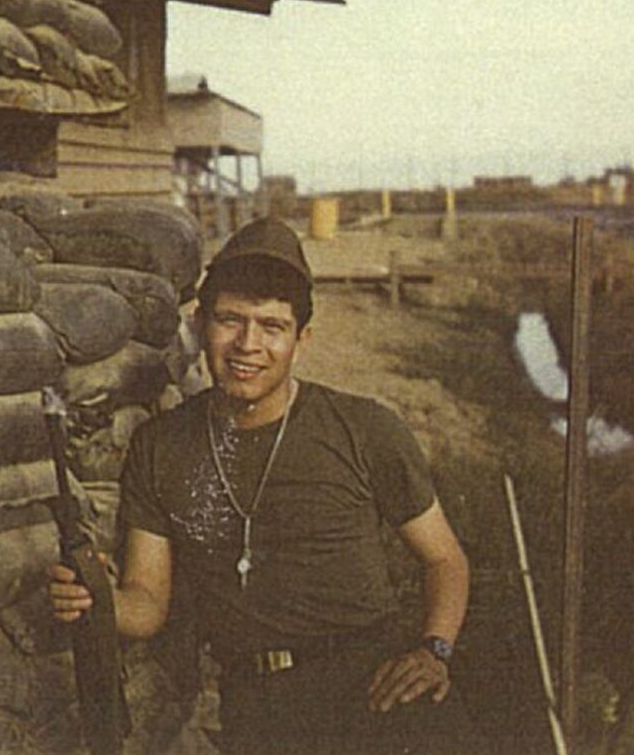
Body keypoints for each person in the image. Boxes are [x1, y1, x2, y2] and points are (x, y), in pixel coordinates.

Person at [49, 216, 472, 754]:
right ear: (201, 325)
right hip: (260, 709)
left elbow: (444, 559)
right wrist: (98, 598)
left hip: (378, 694)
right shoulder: (163, 445)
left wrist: (434, 649)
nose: (248, 344)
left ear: (301, 339)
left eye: (272, 327)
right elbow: (148, 602)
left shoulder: (364, 428)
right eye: (231, 320)